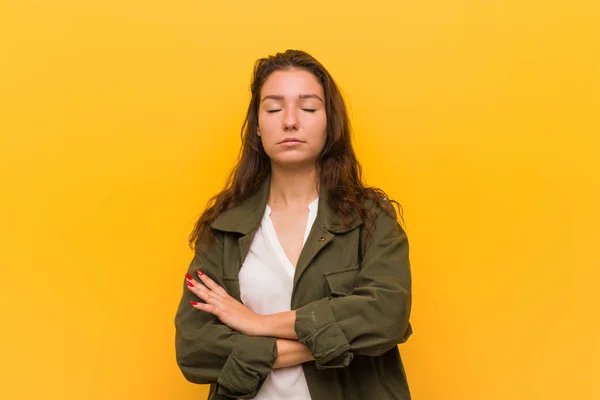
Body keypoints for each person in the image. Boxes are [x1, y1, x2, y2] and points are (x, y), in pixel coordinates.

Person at [174, 49, 412, 400]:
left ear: (330, 122)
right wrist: (331, 340)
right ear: (257, 126)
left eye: (308, 108)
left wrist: (258, 324)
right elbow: (194, 350)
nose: (290, 121)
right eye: (273, 108)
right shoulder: (223, 226)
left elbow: (385, 316)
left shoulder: (371, 218)